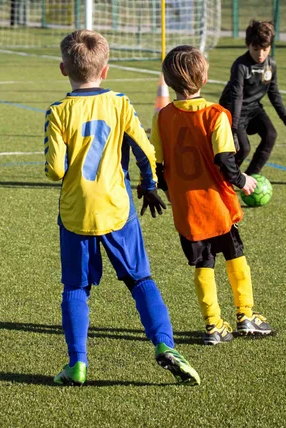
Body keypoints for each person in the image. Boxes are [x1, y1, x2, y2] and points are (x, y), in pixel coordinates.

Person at [44, 29, 201, 386]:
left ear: (63, 68)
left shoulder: (58, 112)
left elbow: (55, 170)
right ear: (106, 70)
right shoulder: (119, 102)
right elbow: (146, 151)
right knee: (140, 279)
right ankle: (165, 345)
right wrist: (149, 186)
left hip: (76, 211)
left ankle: (77, 364)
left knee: (75, 288)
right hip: (117, 207)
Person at [152, 44, 273, 346]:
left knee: (203, 262)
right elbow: (225, 162)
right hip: (216, 205)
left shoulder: (162, 117)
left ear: (168, 82)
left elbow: (159, 164)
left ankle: (213, 326)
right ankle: (245, 316)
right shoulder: (216, 114)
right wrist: (242, 180)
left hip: (187, 209)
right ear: (204, 79)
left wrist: (167, 191)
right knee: (235, 254)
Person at [218, 20, 286, 176]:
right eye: (256, 49)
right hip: (233, 109)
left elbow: (273, 92)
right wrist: (234, 128)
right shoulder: (240, 66)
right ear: (248, 45)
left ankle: (249, 177)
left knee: (271, 135)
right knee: (243, 148)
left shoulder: (271, 64)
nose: (261, 54)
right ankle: (223, 177)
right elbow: (236, 97)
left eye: (265, 49)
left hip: (253, 108)